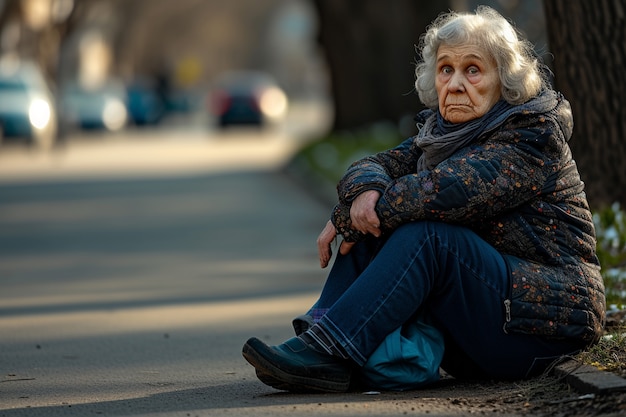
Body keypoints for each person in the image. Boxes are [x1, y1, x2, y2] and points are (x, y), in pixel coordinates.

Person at [242, 6, 605, 393]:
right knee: (375, 217)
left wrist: (352, 216)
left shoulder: (533, 135)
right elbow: (372, 164)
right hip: (483, 325)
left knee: (428, 234)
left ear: (506, 80)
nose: (456, 83)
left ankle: (329, 350)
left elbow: (448, 192)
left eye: (473, 69)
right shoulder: (440, 135)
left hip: (546, 327)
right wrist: (362, 195)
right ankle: (319, 341)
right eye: (446, 69)